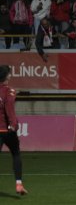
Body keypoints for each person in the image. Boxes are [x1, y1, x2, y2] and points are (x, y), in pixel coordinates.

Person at [0, 65, 28, 195]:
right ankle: (18, 184)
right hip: (7, 130)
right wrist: (13, 124)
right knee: (16, 154)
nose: (11, 76)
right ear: (6, 76)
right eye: (9, 74)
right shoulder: (8, 91)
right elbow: (9, 107)